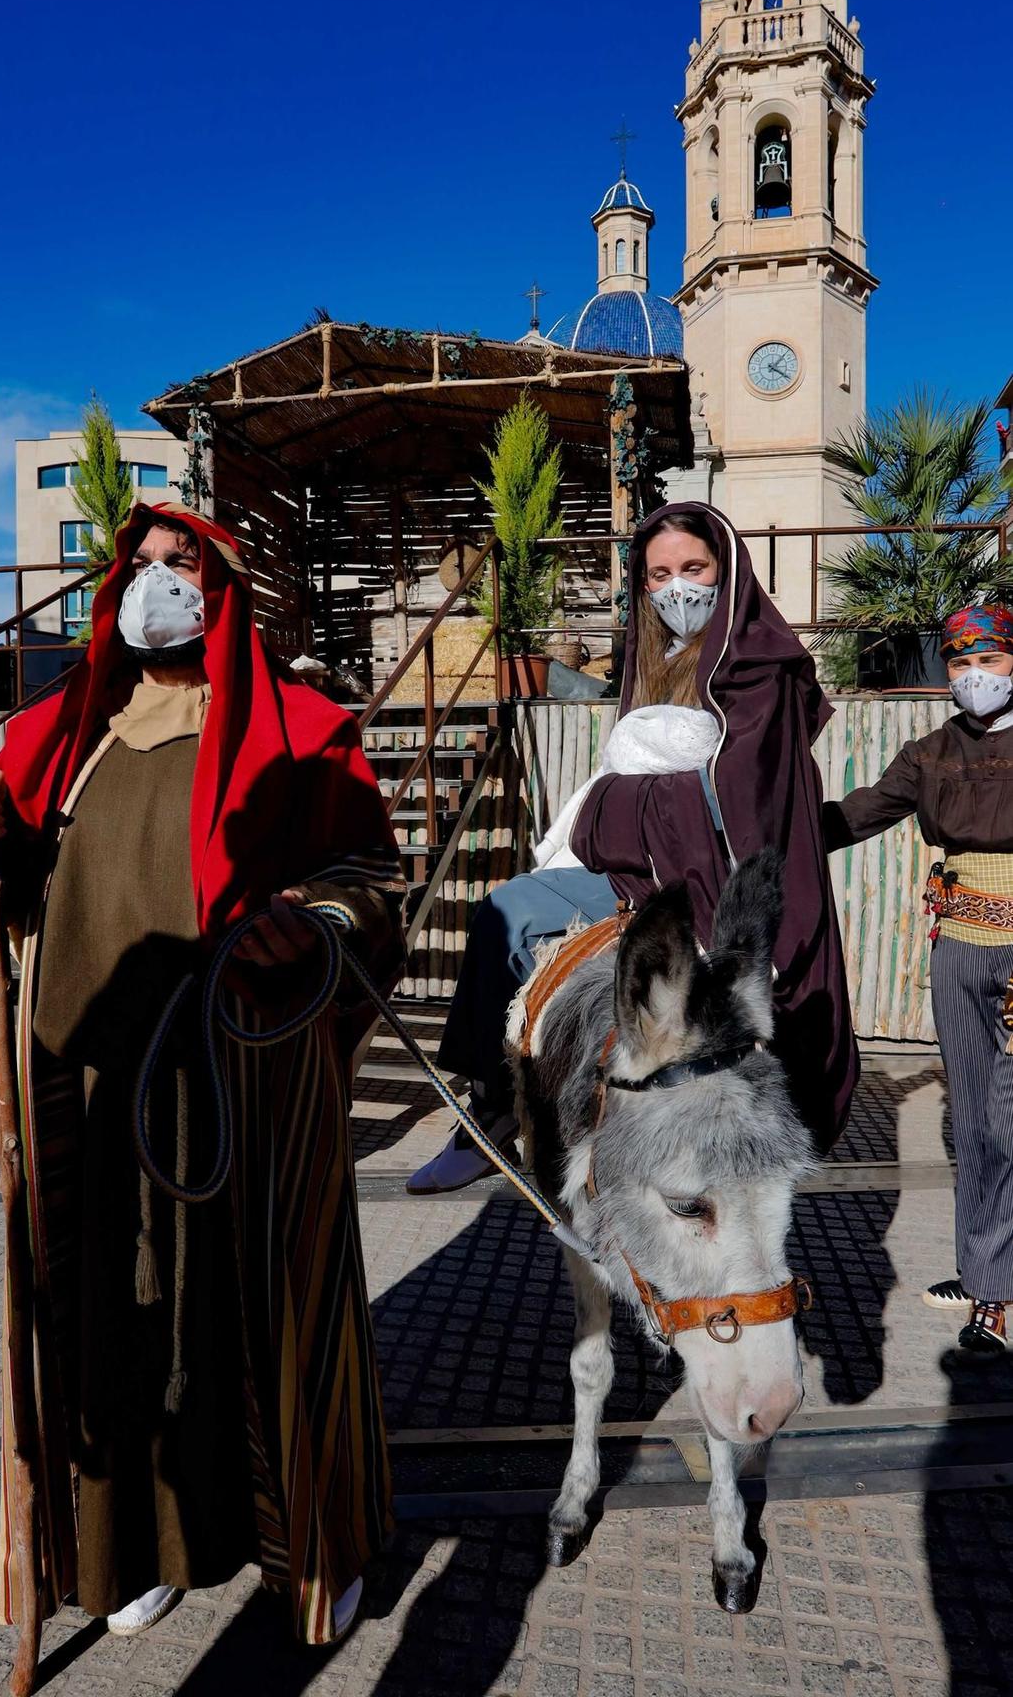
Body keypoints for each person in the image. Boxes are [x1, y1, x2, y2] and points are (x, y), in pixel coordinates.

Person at [0, 505, 406, 1644]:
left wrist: (314, 921)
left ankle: (314, 1545)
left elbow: (371, 882)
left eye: (179, 564)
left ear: (224, 585)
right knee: (113, 1320)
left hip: (244, 1088)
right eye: (138, 566)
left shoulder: (301, 729)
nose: (156, 583)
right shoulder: (60, 730)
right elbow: (9, 890)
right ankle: (136, 1548)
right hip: (87, 1091)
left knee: (270, 1318)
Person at [408, 503, 857, 1193]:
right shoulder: (656, 663)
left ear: (726, 571)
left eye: (693, 569)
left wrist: (617, 800)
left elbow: (740, 797)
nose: (678, 587)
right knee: (510, 911)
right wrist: (628, 791)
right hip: (634, 870)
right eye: (659, 575)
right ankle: (493, 1109)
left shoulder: (760, 669)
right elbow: (643, 774)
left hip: (712, 881)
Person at [823, 603, 1013, 1359]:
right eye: (959, 662)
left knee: (1005, 1118)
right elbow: (857, 814)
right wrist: (768, 821)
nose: (972, 676)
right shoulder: (928, 752)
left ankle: (997, 1295)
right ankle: (984, 1271)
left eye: (989, 659)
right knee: (970, 1118)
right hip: (957, 944)